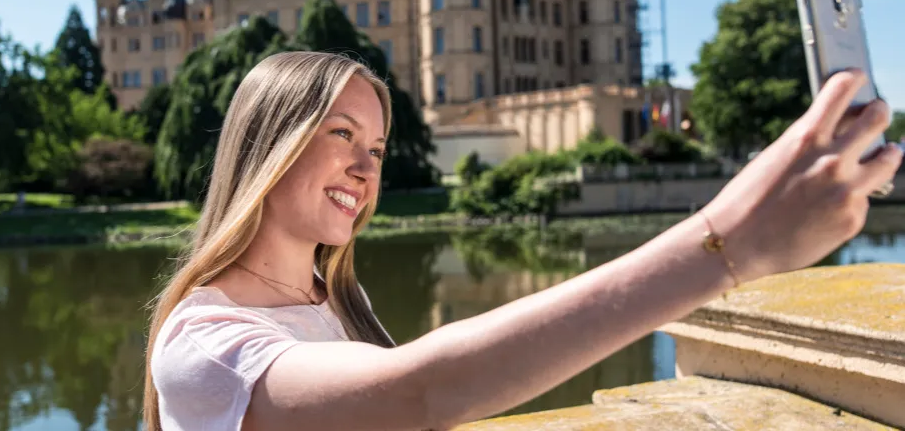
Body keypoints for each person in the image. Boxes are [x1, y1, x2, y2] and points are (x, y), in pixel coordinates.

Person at [143, 51, 899, 431]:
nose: (364, 167)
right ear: (269, 143)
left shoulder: (331, 296)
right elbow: (421, 391)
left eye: (375, 148)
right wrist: (725, 244)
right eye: (340, 134)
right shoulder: (206, 343)